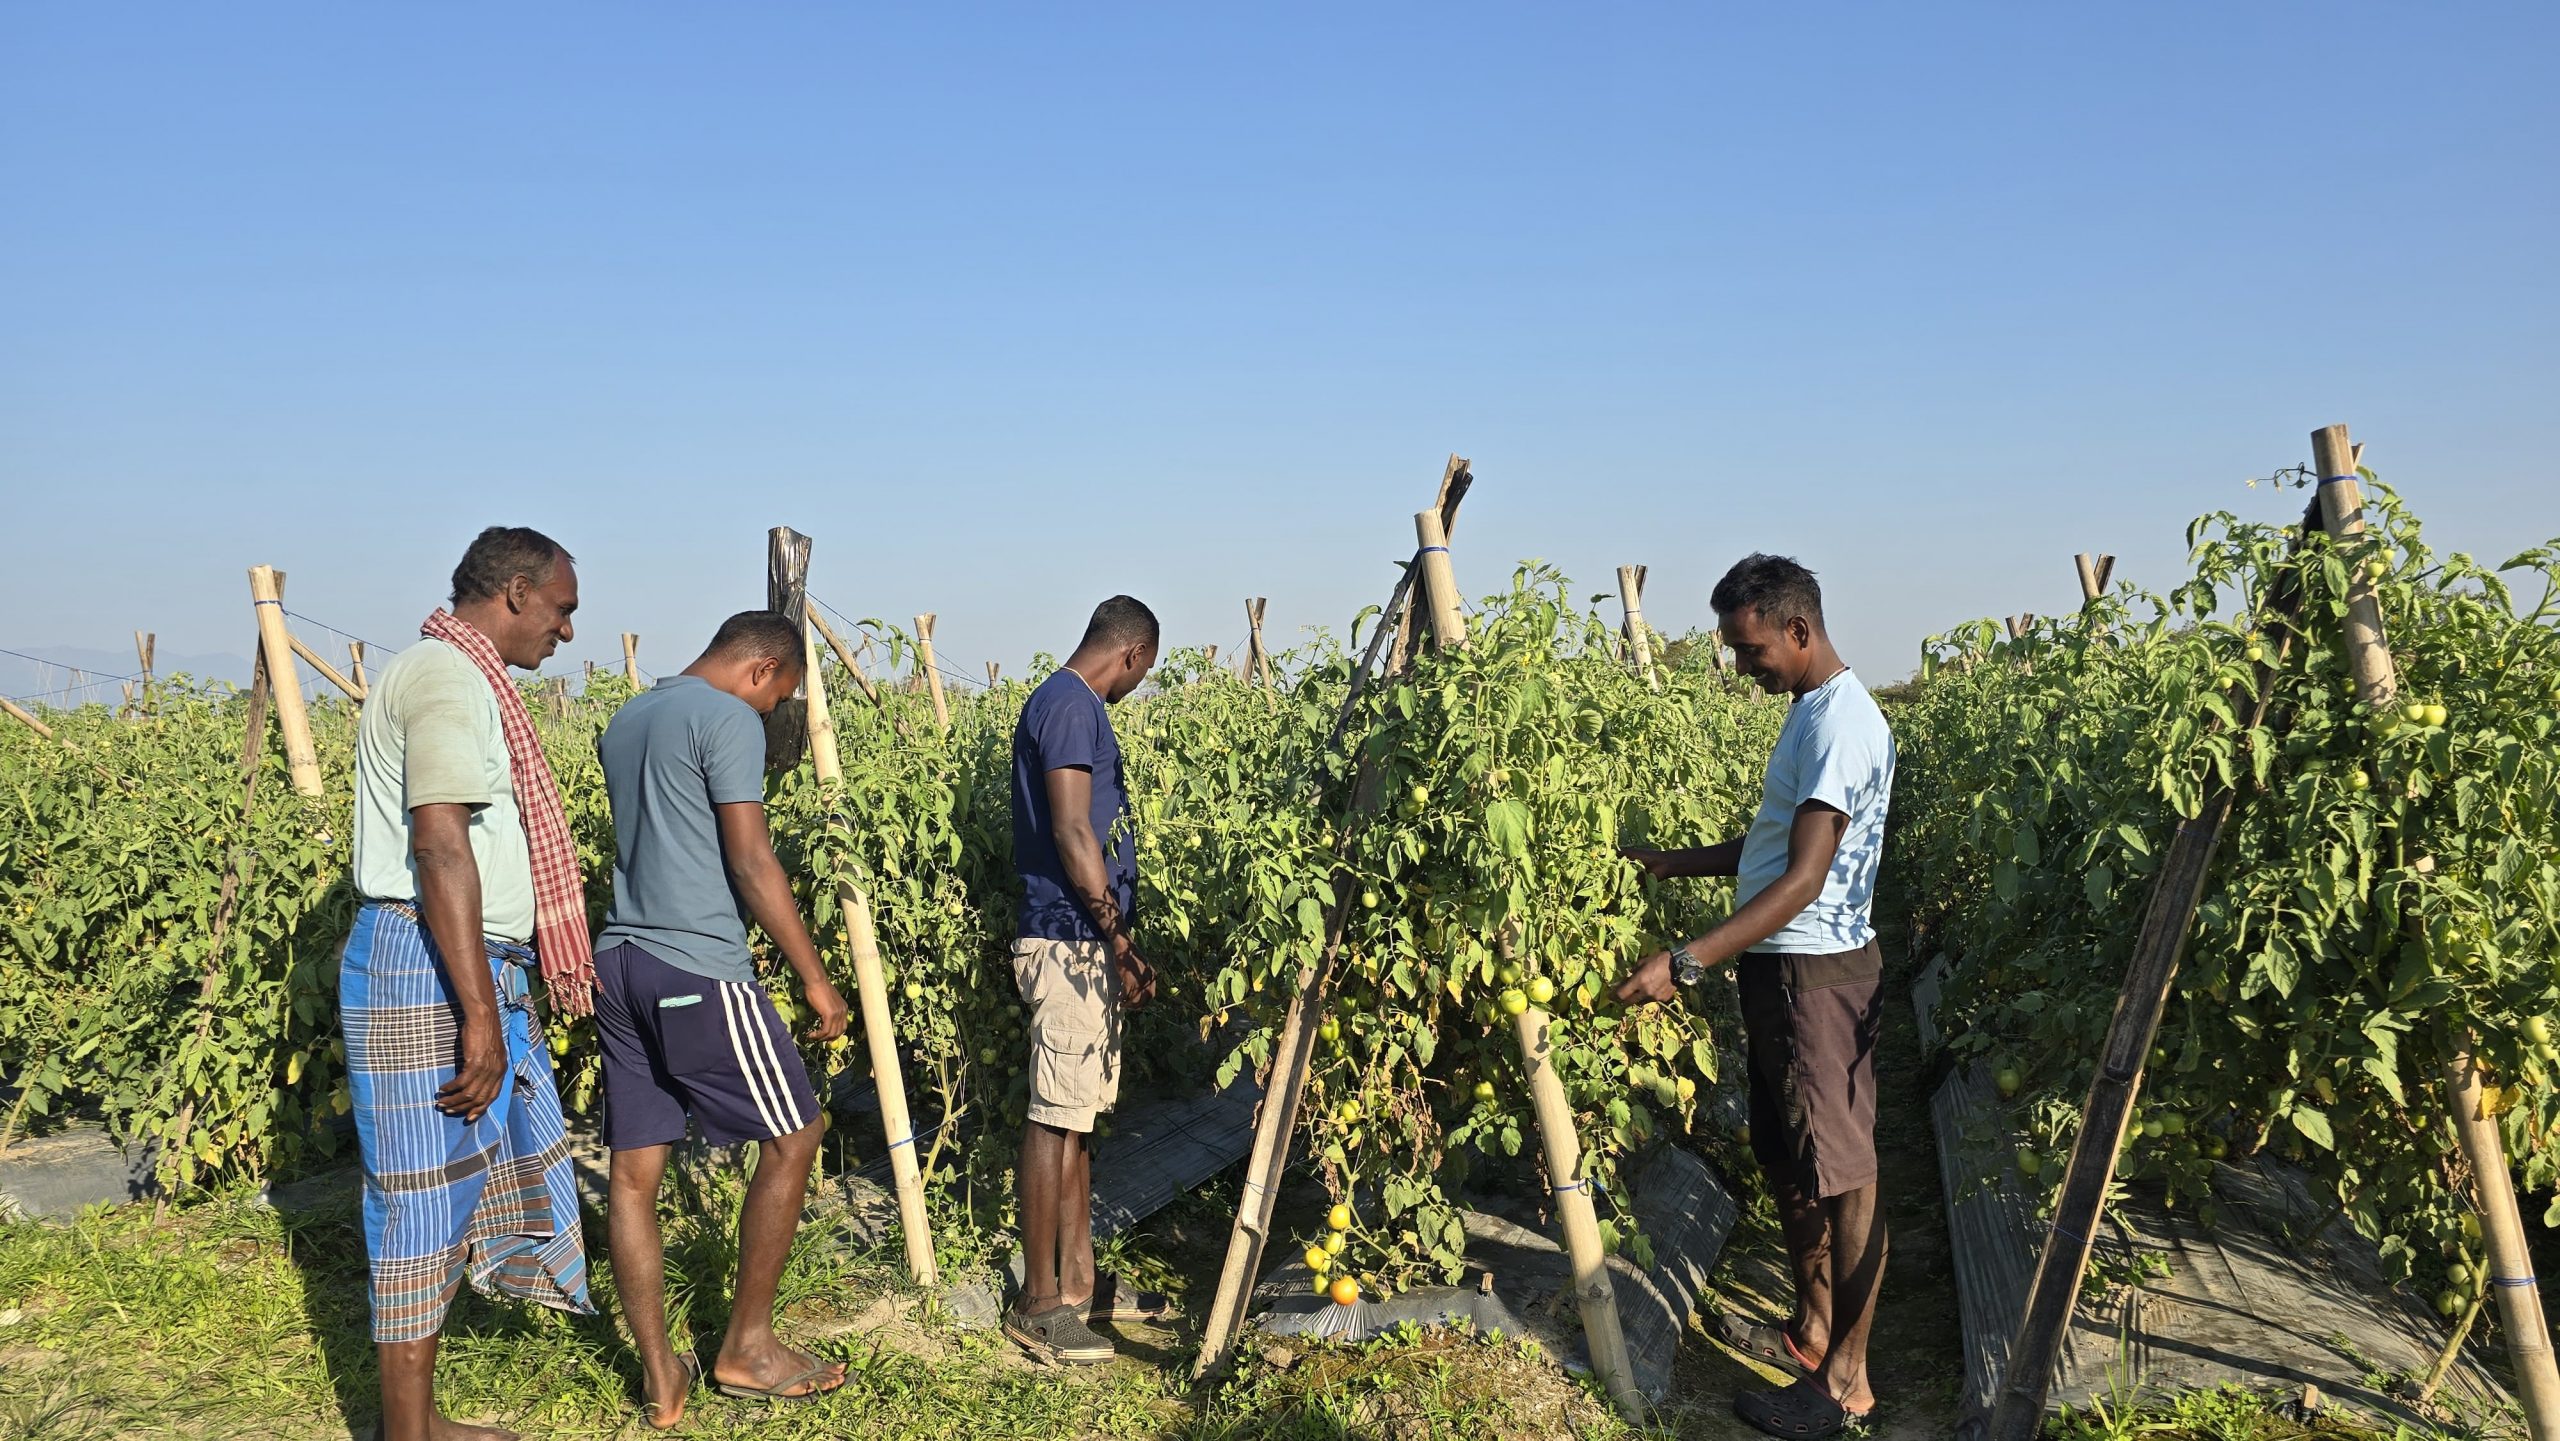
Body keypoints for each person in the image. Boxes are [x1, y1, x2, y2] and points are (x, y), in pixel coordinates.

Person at [1615, 553, 1897, 1440]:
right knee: (1791, 1160)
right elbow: (1775, 842)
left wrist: (1685, 960)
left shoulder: (1844, 725)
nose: (1743, 669)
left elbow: (1806, 878)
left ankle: (1844, 1384)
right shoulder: (1811, 711)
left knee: (1846, 1180)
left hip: (1818, 977)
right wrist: (1678, 861)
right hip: (1782, 973)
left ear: (1799, 629)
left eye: (1750, 650)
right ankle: (1812, 1333)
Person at [342, 525, 598, 1441]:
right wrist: (479, 1018)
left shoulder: (460, 679)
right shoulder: (447, 677)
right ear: (519, 592)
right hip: (431, 964)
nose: (566, 632)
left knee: (451, 1186)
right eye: (563, 609)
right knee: (420, 1192)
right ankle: (408, 1432)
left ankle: (419, 1418)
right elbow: (440, 839)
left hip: (459, 961)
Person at [589, 610, 853, 1427]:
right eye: (780, 699)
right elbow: (748, 855)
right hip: (694, 965)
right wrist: (816, 978)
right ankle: (747, 1347)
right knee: (797, 1134)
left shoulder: (629, 716)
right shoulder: (728, 717)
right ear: (762, 672)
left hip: (618, 962)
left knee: (634, 1175)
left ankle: (662, 1376)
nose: (774, 715)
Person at [1001, 595, 1174, 1364]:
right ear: (1131, 655)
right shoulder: (1071, 706)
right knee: (1052, 1113)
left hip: (1082, 944)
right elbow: (1074, 829)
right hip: (1068, 939)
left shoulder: (1070, 704)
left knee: (1076, 1114)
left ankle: (1079, 1281)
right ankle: (1039, 1305)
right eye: (1146, 673)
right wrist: (1117, 937)